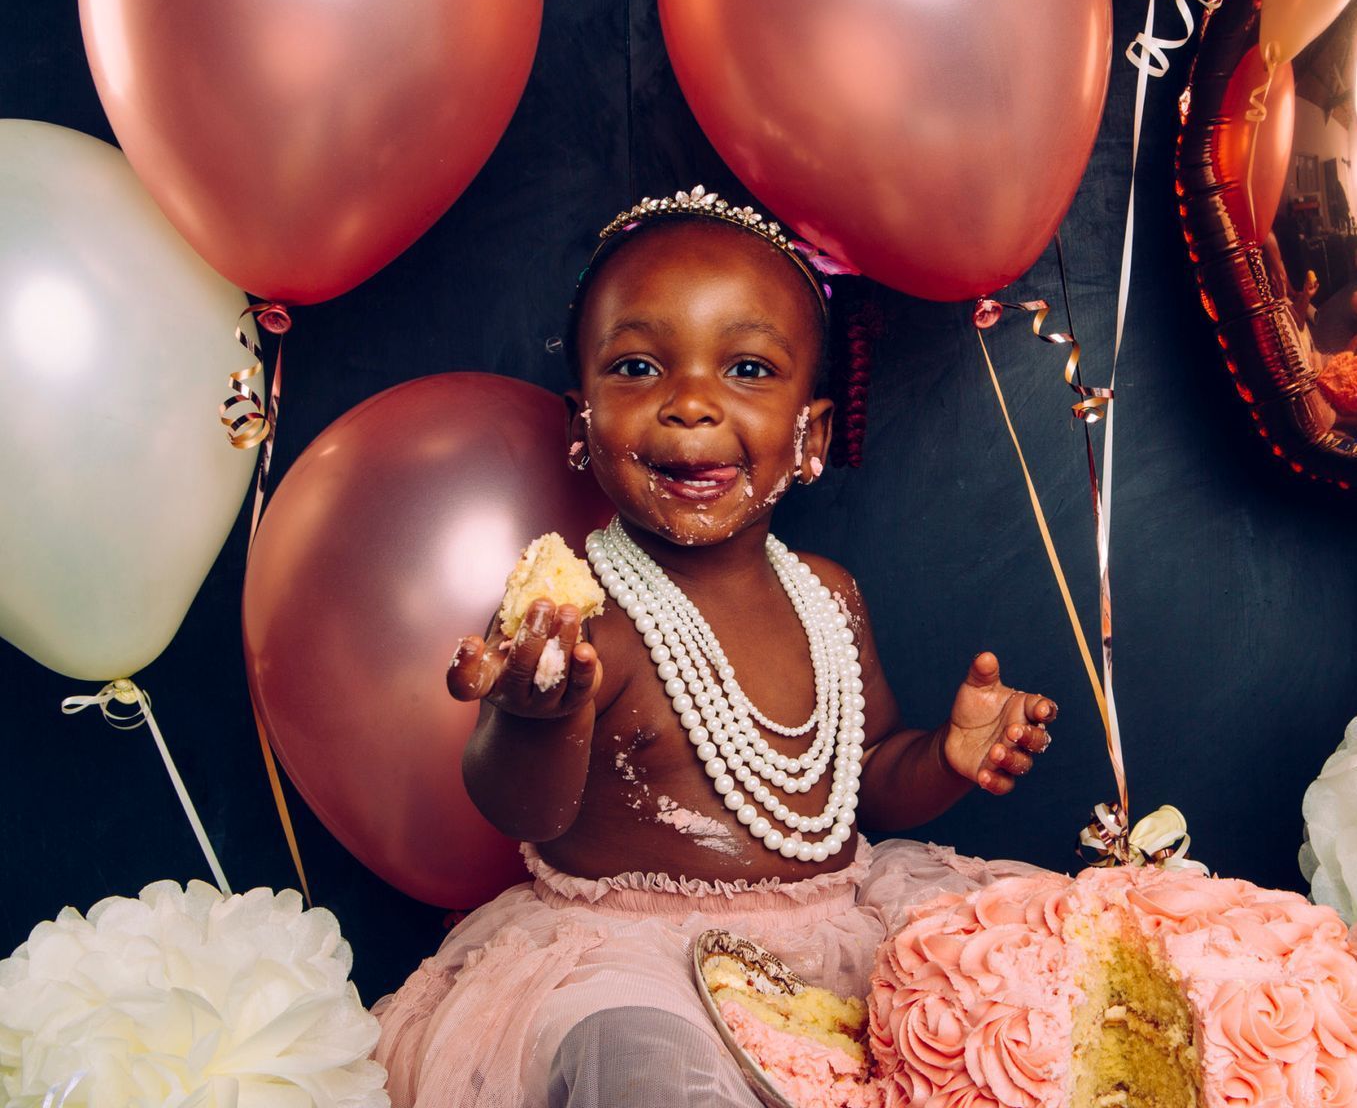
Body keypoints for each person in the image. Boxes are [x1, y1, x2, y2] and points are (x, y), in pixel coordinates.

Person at [373, 188, 1058, 1108]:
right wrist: (533, 717)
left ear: (810, 436)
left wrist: (942, 756)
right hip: (633, 955)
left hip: (836, 934)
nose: (690, 404)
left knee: (1001, 1015)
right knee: (640, 1068)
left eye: (744, 367)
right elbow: (523, 810)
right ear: (580, 424)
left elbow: (864, 780)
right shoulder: (577, 616)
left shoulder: (826, 595)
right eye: (638, 366)